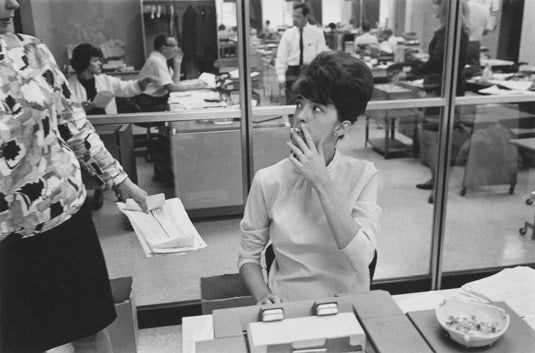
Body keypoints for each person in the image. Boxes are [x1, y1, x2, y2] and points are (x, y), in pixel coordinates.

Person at [0, 1, 149, 352]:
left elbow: (74, 125)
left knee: (90, 327)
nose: (13, 3)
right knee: (19, 339)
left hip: (64, 213)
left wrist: (120, 181)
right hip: (6, 234)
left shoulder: (32, 50)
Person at [239, 51, 380, 304]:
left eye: (317, 108)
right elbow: (248, 257)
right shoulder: (268, 179)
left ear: (341, 127)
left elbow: (363, 259)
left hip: (347, 303)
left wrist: (321, 181)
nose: (301, 116)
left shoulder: (363, 175)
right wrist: (263, 296)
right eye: (299, 103)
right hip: (286, 302)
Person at [68, 43, 158, 210]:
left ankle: (120, 191)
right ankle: (96, 191)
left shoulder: (104, 80)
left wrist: (143, 82)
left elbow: (126, 88)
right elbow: (66, 112)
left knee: (114, 159)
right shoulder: (69, 85)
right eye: (95, 60)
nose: (99, 63)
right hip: (84, 134)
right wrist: (81, 107)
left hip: (108, 129)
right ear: (85, 63)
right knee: (88, 166)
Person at [401, 0, 470, 202]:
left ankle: (439, 186)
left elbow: (437, 62)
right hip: (442, 89)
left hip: (442, 92)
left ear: (446, 8)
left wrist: (413, 70)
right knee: (435, 138)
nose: (433, 8)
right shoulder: (453, 31)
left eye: (436, 4)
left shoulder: (451, 32)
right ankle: (435, 179)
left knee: (430, 138)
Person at [137, 34, 206, 111]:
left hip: (156, 100)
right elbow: (171, 87)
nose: (177, 49)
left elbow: (174, 83)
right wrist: (195, 86)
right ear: (164, 48)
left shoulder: (161, 59)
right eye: (175, 46)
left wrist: (177, 64)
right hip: (150, 104)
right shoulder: (156, 61)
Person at [275, 3, 328, 104]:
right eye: (293, 16)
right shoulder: (288, 34)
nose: (294, 19)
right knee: (292, 104)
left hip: (310, 71)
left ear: (306, 16)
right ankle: (290, 120)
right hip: (292, 71)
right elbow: (281, 56)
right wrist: (281, 76)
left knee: (310, 103)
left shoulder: (317, 33)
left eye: (298, 16)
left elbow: (321, 56)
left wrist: (320, 75)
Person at [466, 0, 491, 66]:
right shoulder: (486, 10)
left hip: (459, 43)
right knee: (474, 70)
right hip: (474, 45)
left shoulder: (461, 7)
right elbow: (486, 31)